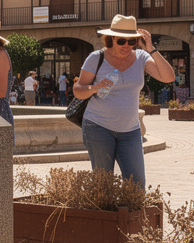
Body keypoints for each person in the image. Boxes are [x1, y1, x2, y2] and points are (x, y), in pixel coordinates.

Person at [74, 15, 176, 187]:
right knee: (103, 184)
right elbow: (78, 91)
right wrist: (95, 87)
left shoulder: (141, 57)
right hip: (98, 126)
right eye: (121, 41)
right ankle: (106, 214)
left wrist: (150, 48)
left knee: (137, 184)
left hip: (130, 130)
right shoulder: (96, 58)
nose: (127, 46)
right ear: (111, 38)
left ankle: (132, 214)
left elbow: (168, 77)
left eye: (132, 41)